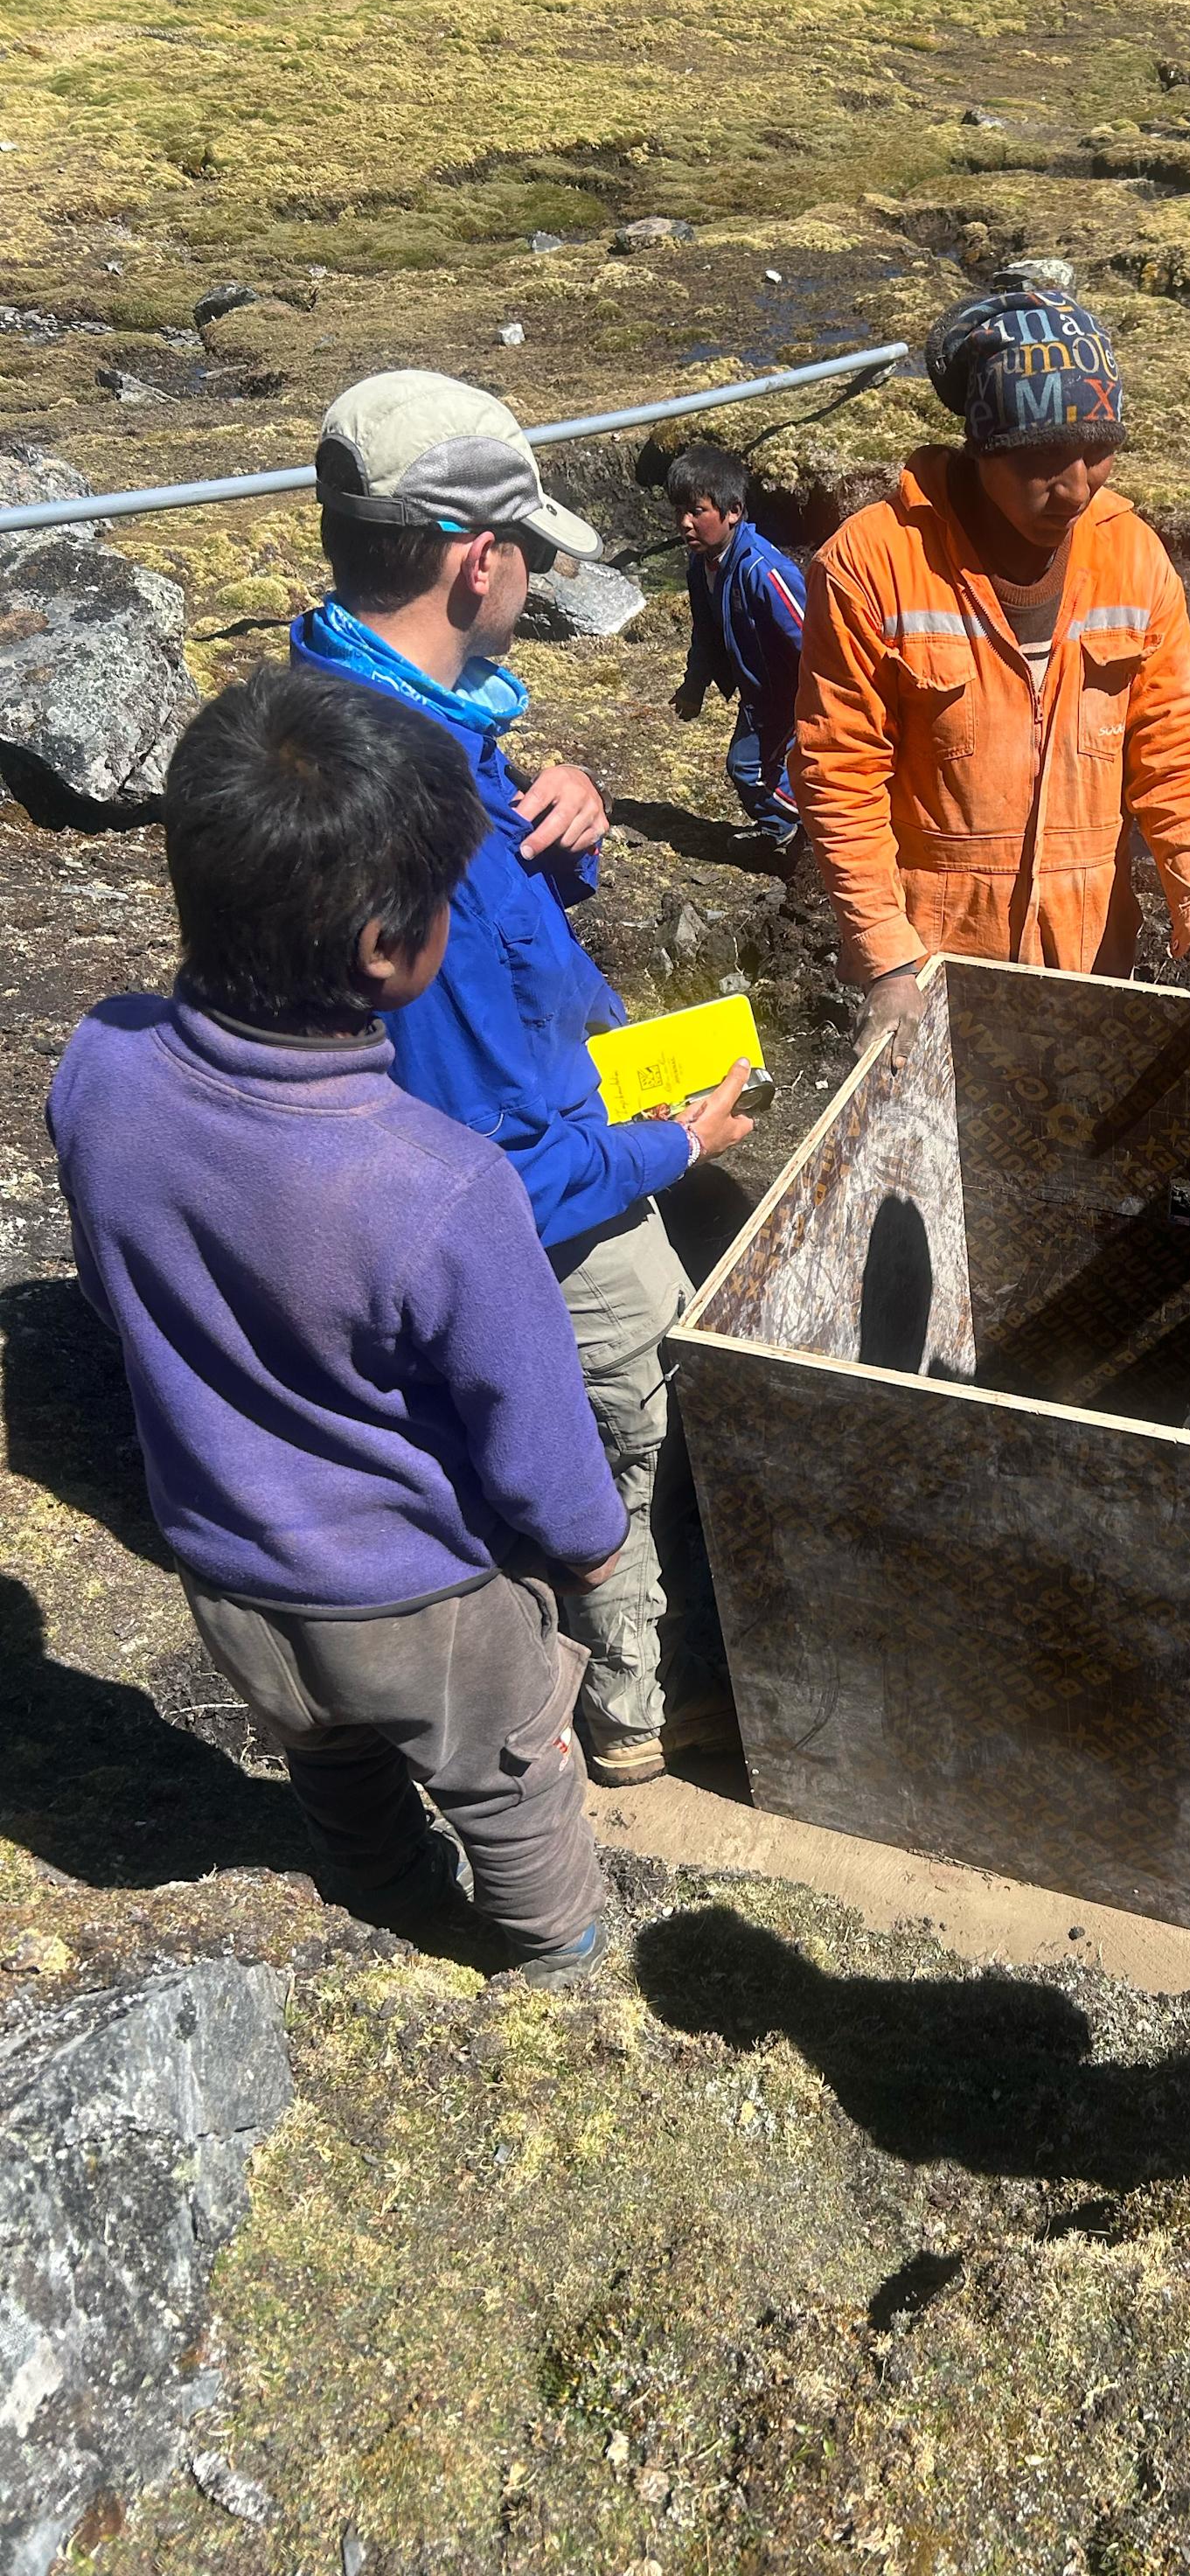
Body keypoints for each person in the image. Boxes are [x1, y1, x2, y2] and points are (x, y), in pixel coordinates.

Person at [47, 666, 633, 1985]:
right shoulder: (441, 1186)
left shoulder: (101, 1063)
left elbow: (111, 1282)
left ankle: (382, 1907)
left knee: (329, 1760)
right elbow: (536, 1444)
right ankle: (560, 1970)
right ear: (387, 947)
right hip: (418, 1595)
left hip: (225, 1564)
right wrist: (592, 1557)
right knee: (510, 1782)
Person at [290, 372, 755, 1790]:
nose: (542, 579)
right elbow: (494, 1157)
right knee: (634, 1435)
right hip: (554, 1221)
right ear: (474, 556)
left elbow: (504, 929)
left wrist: (577, 825)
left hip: (535, 1135)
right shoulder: (408, 803)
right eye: (532, 553)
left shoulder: (349, 710)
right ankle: (631, 1705)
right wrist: (670, 1148)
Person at [790, 283, 1190, 1062]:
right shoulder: (871, 565)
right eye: (1043, 457)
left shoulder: (1133, 557)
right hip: (940, 966)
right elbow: (838, 772)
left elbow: (1177, 755)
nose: (1076, 485)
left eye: (1098, 448)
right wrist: (888, 959)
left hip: (1094, 959)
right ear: (983, 447)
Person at [666, 442, 806, 854]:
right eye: (679, 512)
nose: (685, 524)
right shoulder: (701, 566)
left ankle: (803, 830)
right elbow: (705, 634)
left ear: (733, 512)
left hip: (789, 693)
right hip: (758, 692)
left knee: (749, 770)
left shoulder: (762, 570)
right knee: (756, 768)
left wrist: (826, 700)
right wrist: (694, 687)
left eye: (697, 511)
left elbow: (812, 636)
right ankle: (787, 832)